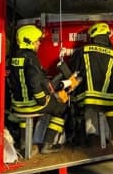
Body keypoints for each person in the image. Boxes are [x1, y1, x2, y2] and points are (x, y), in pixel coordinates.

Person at [7, 24, 69, 154]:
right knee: (62, 108)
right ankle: (48, 145)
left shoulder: (14, 57)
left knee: (25, 117)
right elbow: (34, 83)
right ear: (29, 41)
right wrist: (43, 99)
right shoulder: (31, 58)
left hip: (17, 104)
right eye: (37, 41)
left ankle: (24, 144)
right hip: (31, 104)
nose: (39, 43)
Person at [71, 23, 113, 143]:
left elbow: (72, 73)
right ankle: (110, 135)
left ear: (93, 37)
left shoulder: (82, 51)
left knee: (76, 103)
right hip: (109, 99)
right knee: (110, 106)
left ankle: (83, 138)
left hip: (87, 99)